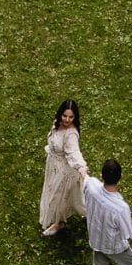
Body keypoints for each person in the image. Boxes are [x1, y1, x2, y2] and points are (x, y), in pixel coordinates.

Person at [39, 99, 89, 236]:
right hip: (53, 166)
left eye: (71, 117)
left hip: (65, 171)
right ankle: (59, 221)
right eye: (65, 116)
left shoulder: (71, 134)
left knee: (60, 197)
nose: (67, 120)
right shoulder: (57, 123)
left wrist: (81, 167)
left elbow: (73, 152)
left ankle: (58, 223)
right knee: (55, 193)